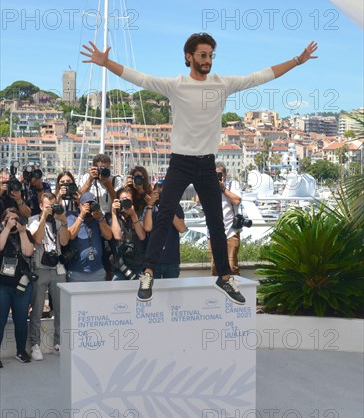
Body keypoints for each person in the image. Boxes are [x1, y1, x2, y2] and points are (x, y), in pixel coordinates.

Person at [81, 33, 318, 303]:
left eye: (210, 55)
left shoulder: (222, 84)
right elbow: (140, 78)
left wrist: (297, 61)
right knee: (164, 215)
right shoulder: (176, 85)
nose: (207, 60)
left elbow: (260, 76)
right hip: (180, 162)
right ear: (189, 57)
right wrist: (107, 63)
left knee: (216, 222)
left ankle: (224, 277)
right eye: (202, 55)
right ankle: (147, 272)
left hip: (207, 164)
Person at [27, 193, 70, 360]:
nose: (51, 209)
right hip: (40, 268)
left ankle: (58, 343)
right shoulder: (33, 220)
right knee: (37, 308)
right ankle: (35, 344)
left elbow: (65, 242)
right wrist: (44, 217)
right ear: (40, 206)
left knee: (60, 308)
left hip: (57, 268)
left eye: (53, 205)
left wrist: (64, 222)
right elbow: (37, 239)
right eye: (47, 206)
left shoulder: (58, 221)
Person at [0, 208, 35, 366]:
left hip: (22, 285)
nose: (13, 221)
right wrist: (7, 228)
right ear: (4, 220)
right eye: (9, 218)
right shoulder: (2, 232)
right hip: (3, 286)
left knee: (21, 320)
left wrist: (21, 232)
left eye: (16, 218)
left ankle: (21, 351)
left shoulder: (25, 233)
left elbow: (28, 252)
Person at [66, 191, 112, 282]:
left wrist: (100, 219)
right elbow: (71, 235)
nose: (89, 207)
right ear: (80, 205)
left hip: (97, 270)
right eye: (86, 204)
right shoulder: (72, 216)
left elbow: (109, 236)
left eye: (92, 204)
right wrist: (81, 216)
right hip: (77, 271)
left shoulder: (97, 218)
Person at [143, 180, 186, 278]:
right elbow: (147, 228)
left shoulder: (175, 207)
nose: (161, 196)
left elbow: (182, 228)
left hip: (171, 259)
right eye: (158, 193)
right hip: (154, 261)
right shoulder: (150, 208)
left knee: (172, 291)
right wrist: (150, 205)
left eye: (163, 193)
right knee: (154, 291)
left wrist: (167, 207)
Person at [208, 162, 241, 276]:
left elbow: (237, 201)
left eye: (219, 174)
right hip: (213, 232)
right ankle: (216, 292)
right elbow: (198, 200)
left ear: (225, 174)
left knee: (232, 266)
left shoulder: (233, 184)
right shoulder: (208, 185)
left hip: (231, 231)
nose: (217, 176)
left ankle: (235, 290)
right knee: (214, 267)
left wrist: (223, 189)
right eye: (214, 174)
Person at [109, 187, 146, 280]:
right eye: (123, 200)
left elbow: (142, 236)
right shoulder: (112, 217)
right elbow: (117, 236)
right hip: (120, 266)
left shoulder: (138, 215)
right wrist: (113, 212)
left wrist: (133, 215)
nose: (125, 203)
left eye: (128, 200)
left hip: (137, 264)